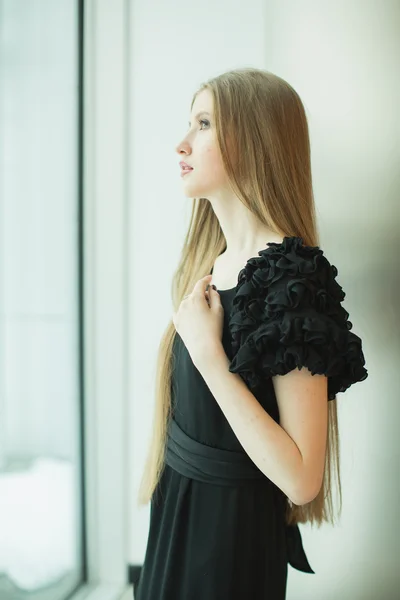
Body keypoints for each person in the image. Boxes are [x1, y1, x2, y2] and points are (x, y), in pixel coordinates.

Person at [134, 67, 368, 599]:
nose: (182, 143)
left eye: (203, 123)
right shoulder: (208, 263)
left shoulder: (292, 282)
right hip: (178, 518)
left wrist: (211, 359)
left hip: (229, 544)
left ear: (253, 140)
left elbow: (302, 478)